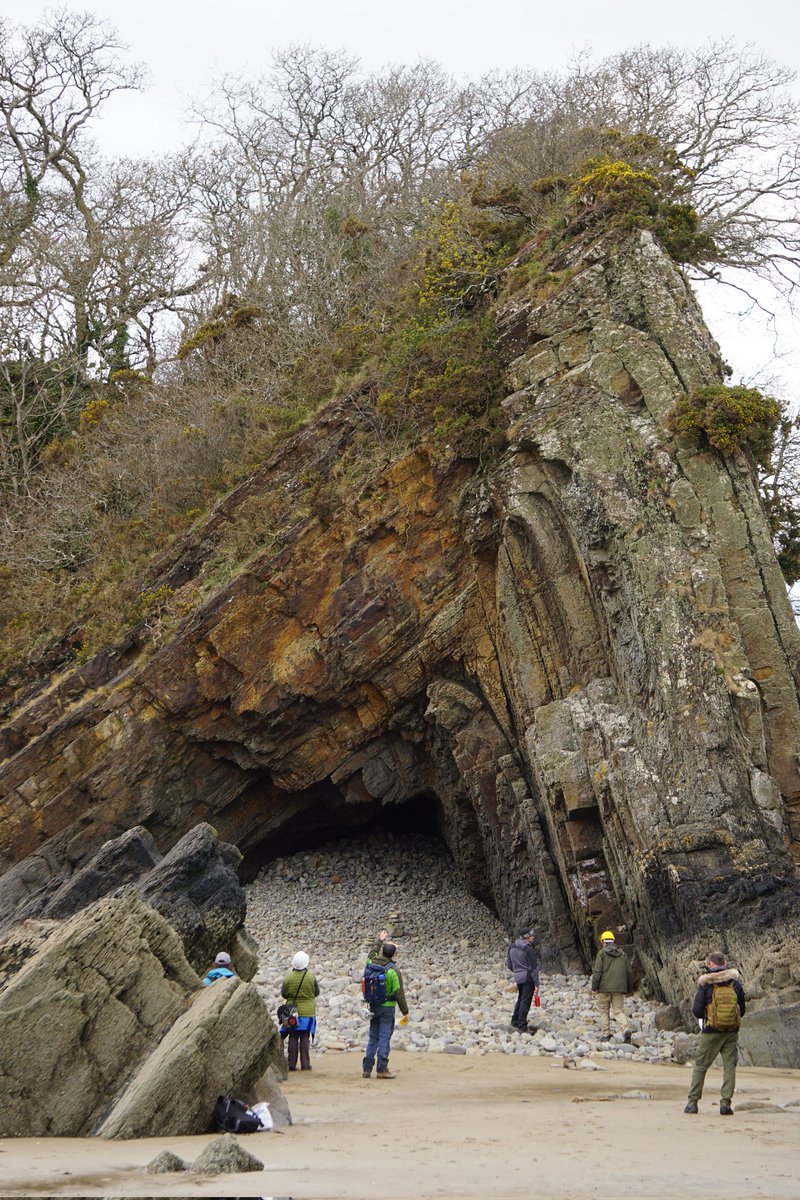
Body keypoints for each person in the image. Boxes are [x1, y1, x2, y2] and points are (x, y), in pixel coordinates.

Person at [684, 951, 746, 1115]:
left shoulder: (706, 985)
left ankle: (692, 1103)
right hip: (731, 1031)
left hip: (711, 1031)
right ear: (725, 962)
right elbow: (743, 1010)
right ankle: (725, 1104)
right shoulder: (735, 984)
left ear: (710, 964)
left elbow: (697, 1011)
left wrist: (707, 1016)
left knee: (701, 1066)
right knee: (729, 1067)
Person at [362, 930, 409, 1079]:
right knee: (384, 1037)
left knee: (373, 1037)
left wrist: (380, 940)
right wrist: (405, 1011)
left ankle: (367, 1069)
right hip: (388, 1008)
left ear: (382, 952)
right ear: (394, 955)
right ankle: (382, 1069)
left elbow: (371, 953)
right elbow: (398, 993)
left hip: (374, 1005)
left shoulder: (371, 963)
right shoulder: (393, 971)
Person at [281, 950, 320, 1072]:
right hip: (307, 1012)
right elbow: (316, 992)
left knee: (292, 1036)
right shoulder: (310, 976)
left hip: (292, 1011)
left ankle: (291, 1065)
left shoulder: (288, 977)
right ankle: (305, 1064)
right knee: (304, 1037)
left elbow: (284, 994)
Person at [591, 930, 632, 1042]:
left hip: (603, 988)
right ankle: (625, 1028)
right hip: (619, 988)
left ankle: (606, 1034)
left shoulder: (601, 953)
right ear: (613, 941)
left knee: (604, 1011)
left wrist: (594, 988)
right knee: (618, 1011)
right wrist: (628, 988)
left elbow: (597, 972)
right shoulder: (623, 954)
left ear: (603, 941)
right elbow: (628, 971)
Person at [506, 929, 540, 1032]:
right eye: (531, 935)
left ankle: (515, 1020)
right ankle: (522, 1026)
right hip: (528, 977)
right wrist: (536, 984)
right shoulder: (528, 949)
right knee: (526, 1001)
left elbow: (509, 964)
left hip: (518, 977)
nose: (533, 937)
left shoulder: (512, 946)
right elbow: (534, 968)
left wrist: (517, 971)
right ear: (527, 937)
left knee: (521, 998)